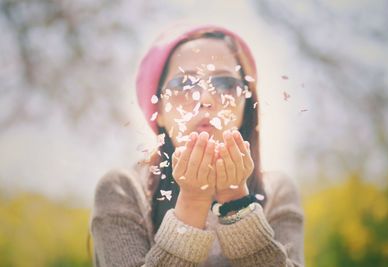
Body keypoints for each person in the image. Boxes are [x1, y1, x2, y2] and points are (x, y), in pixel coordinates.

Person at [89, 23, 304, 267]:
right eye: (183, 84)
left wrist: (238, 205)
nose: (205, 99)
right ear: (157, 110)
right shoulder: (124, 189)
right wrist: (192, 203)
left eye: (225, 84)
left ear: (245, 104)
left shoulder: (276, 191)